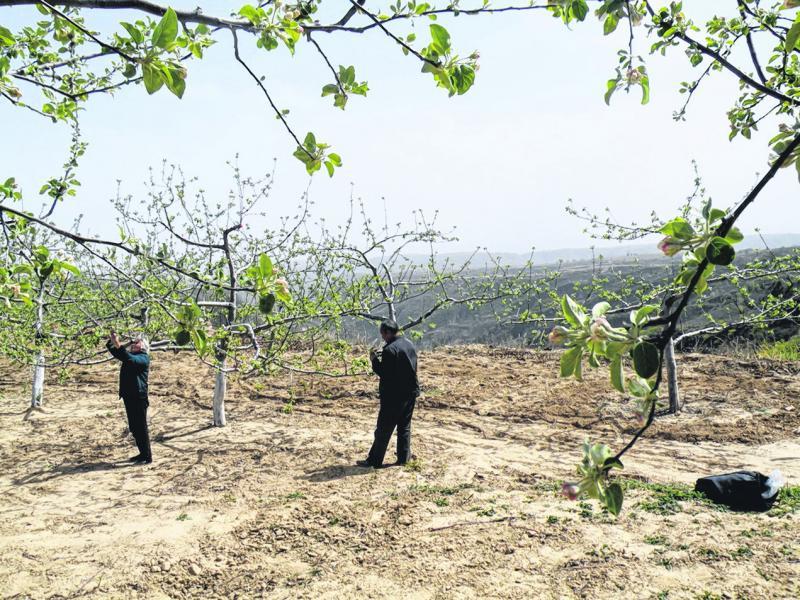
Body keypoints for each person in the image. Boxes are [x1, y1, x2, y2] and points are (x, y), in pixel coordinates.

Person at [357, 319, 420, 468]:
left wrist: (374, 360)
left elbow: (385, 373)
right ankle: (404, 458)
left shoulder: (389, 350)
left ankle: (374, 461)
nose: (382, 337)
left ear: (387, 332)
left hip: (393, 396)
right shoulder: (409, 344)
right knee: (404, 427)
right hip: (410, 392)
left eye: (382, 334)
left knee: (383, 430)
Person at [107, 331, 152, 464]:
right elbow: (116, 352)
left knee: (141, 427)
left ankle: (147, 456)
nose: (133, 344)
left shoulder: (143, 358)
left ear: (143, 346)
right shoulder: (131, 356)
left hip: (139, 397)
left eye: (137, 342)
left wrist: (118, 343)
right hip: (129, 396)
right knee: (134, 427)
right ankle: (142, 454)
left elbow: (128, 358)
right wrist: (112, 341)